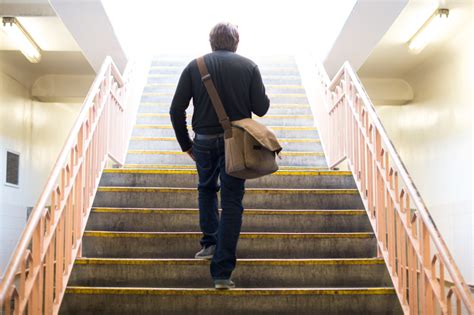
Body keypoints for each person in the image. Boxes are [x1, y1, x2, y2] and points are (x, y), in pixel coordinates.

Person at [169, 22, 270, 290]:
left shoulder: (195, 66)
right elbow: (262, 108)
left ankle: (210, 243)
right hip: (236, 142)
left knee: (206, 189)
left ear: (212, 41)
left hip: (202, 141)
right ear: (236, 41)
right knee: (233, 202)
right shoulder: (249, 66)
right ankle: (222, 274)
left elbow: (175, 109)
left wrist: (185, 144)